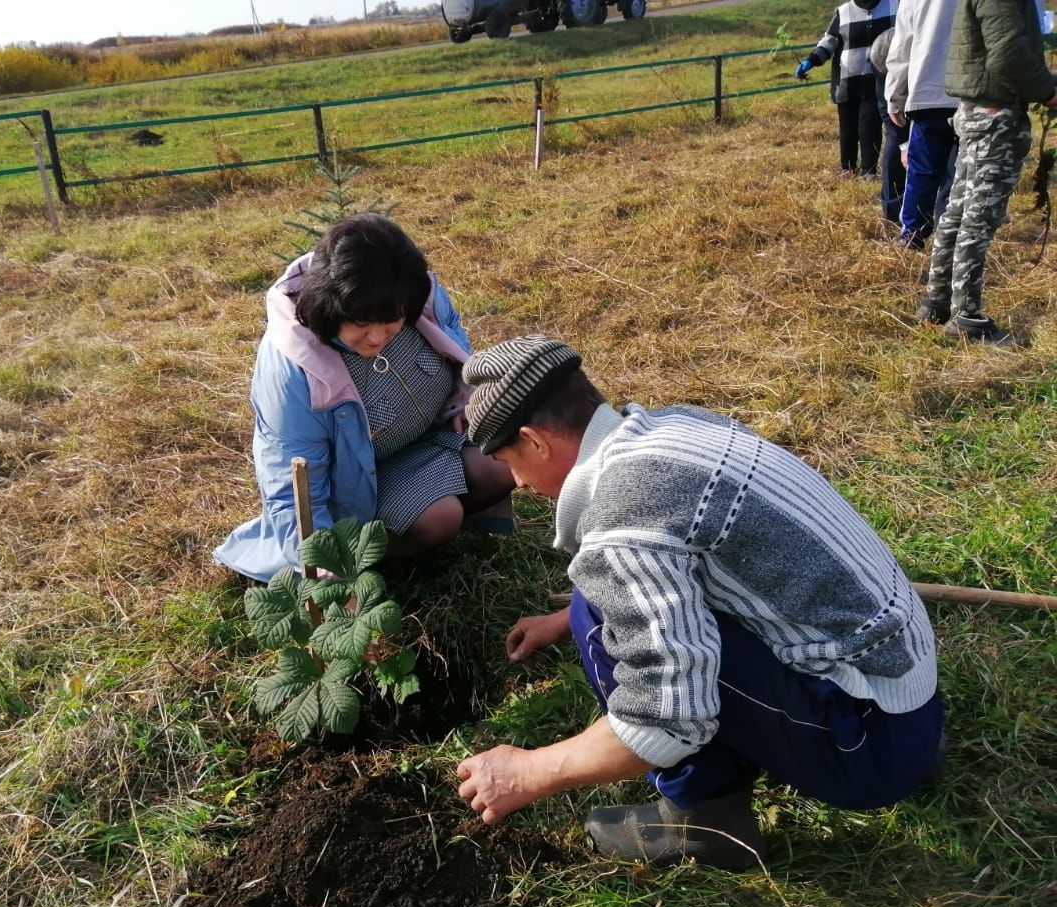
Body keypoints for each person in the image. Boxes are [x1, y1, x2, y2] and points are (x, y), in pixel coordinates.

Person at [455, 336, 943, 870]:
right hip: (907, 692)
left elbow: (667, 717)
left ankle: (705, 821)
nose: (519, 482)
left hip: (869, 745)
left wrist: (527, 773)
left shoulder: (622, 518)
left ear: (534, 440)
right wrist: (562, 617)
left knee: (600, 623)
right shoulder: (675, 426)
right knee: (590, 605)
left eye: (510, 461)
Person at [213, 214, 515, 582]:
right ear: (331, 306)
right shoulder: (292, 369)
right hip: (355, 490)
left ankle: (422, 515)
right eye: (362, 326)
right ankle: (362, 560)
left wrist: (464, 397)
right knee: (442, 518)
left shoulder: (417, 298)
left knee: (506, 460)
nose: (377, 339)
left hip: (428, 440)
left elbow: (455, 341)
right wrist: (324, 565)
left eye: (391, 325)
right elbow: (293, 485)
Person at [917, 0, 1057, 343]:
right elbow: (1008, 54)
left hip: (977, 110)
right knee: (977, 219)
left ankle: (938, 301)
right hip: (994, 116)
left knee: (959, 212)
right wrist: (1049, 92)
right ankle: (966, 316)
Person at [885, 0, 961, 251]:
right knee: (961, 173)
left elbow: (902, 44)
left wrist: (895, 95)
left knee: (922, 172)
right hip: (972, 95)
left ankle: (912, 235)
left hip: (927, 91)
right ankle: (952, 238)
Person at [796, 0, 899, 177]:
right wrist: (811, 60)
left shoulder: (893, 6)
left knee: (870, 125)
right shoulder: (843, 12)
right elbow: (829, 42)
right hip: (847, 81)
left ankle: (869, 171)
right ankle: (847, 168)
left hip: (878, 80)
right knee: (848, 128)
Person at [870, 27, 909, 224]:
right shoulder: (879, 63)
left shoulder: (916, 59)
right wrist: (904, 144)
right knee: (894, 146)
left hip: (927, 103)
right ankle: (892, 214)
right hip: (897, 115)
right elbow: (886, 109)